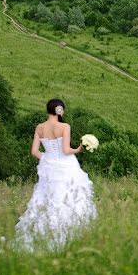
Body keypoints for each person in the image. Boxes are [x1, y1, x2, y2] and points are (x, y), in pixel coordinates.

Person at [15, 99, 96, 250]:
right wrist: (78, 149)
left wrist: (47, 159)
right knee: (71, 198)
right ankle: (69, 236)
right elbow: (65, 150)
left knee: (47, 199)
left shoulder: (39, 128)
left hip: (49, 168)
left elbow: (34, 152)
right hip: (66, 167)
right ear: (60, 110)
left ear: (48, 110)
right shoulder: (64, 126)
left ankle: (40, 234)